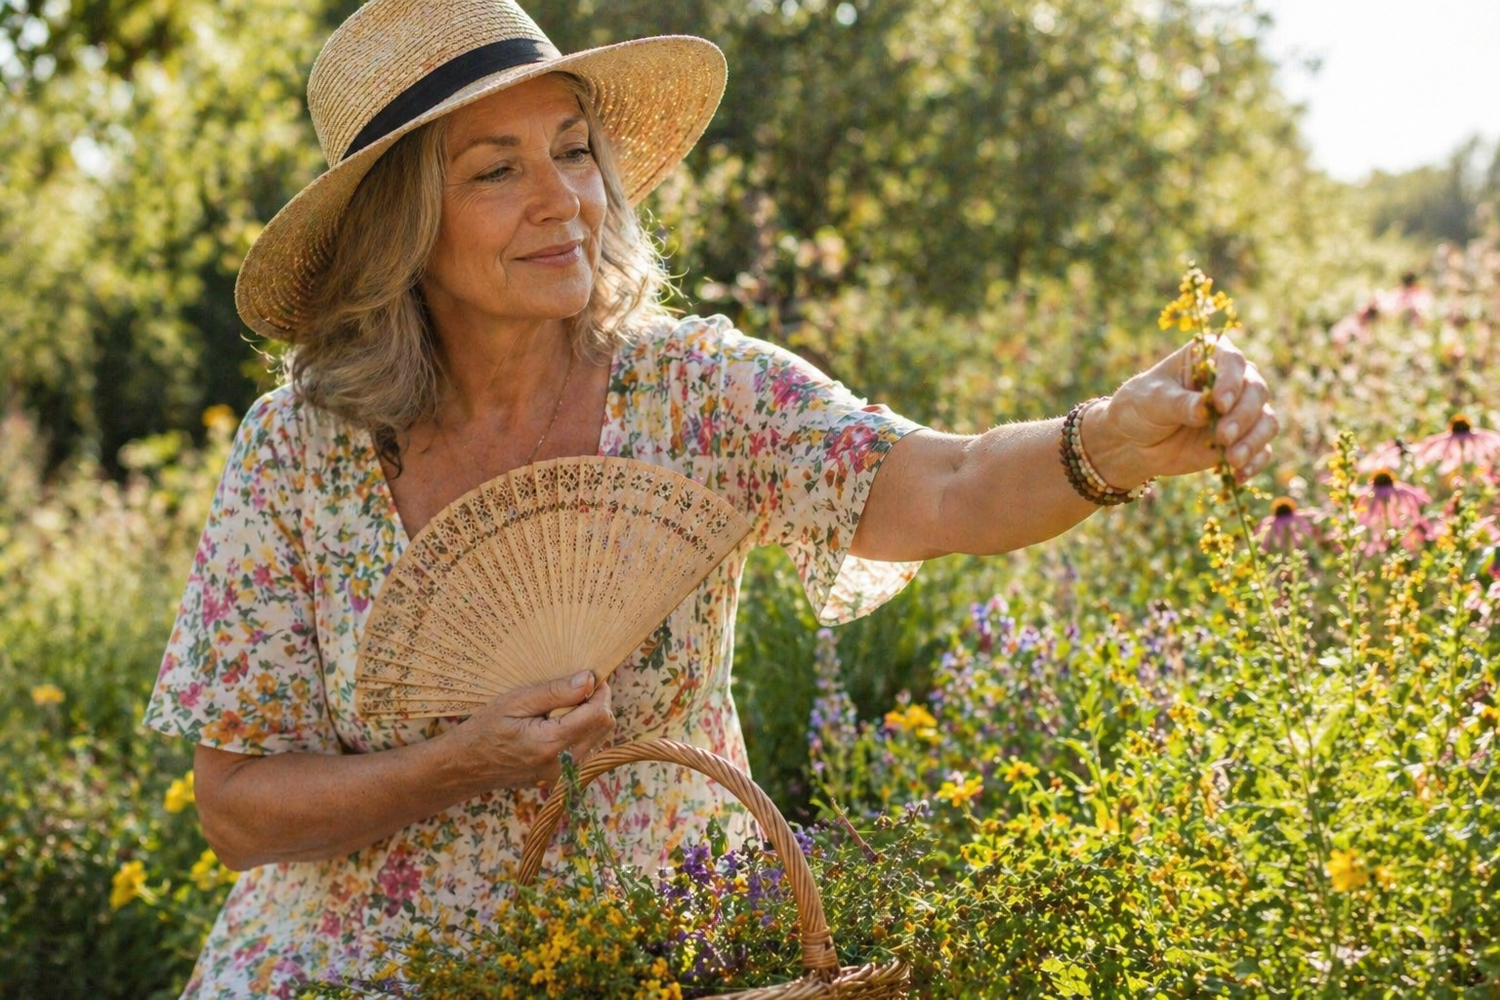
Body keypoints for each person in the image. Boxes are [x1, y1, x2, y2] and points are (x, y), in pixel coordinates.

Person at [142, 0, 1277, 996]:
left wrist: (1113, 440)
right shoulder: (300, 448)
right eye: (497, 169)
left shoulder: (700, 390)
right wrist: (454, 766)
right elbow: (239, 807)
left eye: (575, 151)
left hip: (646, 950)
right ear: (402, 228)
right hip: (350, 963)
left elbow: (950, 482)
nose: (564, 201)